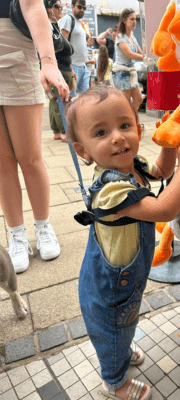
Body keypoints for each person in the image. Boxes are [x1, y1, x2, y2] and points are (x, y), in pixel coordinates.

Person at [65, 85, 180, 400]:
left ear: (138, 129)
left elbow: (163, 171)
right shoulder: (110, 190)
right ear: (83, 150)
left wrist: (168, 144)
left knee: (123, 326)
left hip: (126, 284)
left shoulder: (132, 166)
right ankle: (115, 383)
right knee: (111, 334)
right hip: (108, 289)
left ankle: (121, 347)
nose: (118, 137)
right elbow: (165, 209)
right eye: (101, 132)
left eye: (125, 125)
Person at [0, 0, 69, 273]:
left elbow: (31, 4)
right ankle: (16, 233)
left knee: (29, 157)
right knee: (2, 163)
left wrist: (48, 61)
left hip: (15, 43)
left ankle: (43, 225)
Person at [46, 0, 74, 142]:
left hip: (63, 67)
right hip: (56, 69)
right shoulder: (47, 25)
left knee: (55, 102)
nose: (60, 9)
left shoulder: (54, 26)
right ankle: (63, 132)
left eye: (61, 7)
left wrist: (71, 68)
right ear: (49, 8)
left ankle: (57, 132)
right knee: (59, 101)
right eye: (57, 6)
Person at [113, 9, 144, 111]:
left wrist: (150, 57)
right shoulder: (120, 37)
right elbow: (130, 54)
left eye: (135, 19)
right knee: (124, 103)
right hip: (122, 73)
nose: (134, 22)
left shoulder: (132, 37)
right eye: (132, 19)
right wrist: (147, 58)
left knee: (138, 99)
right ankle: (127, 122)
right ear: (124, 21)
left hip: (131, 72)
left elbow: (140, 52)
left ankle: (131, 120)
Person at [59, 0, 90, 97]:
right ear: (72, 6)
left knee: (85, 99)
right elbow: (63, 45)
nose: (82, 10)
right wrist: (69, 67)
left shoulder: (80, 23)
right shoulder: (68, 19)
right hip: (73, 67)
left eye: (84, 8)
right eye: (79, 7)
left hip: (83, 67)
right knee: (69, 100)